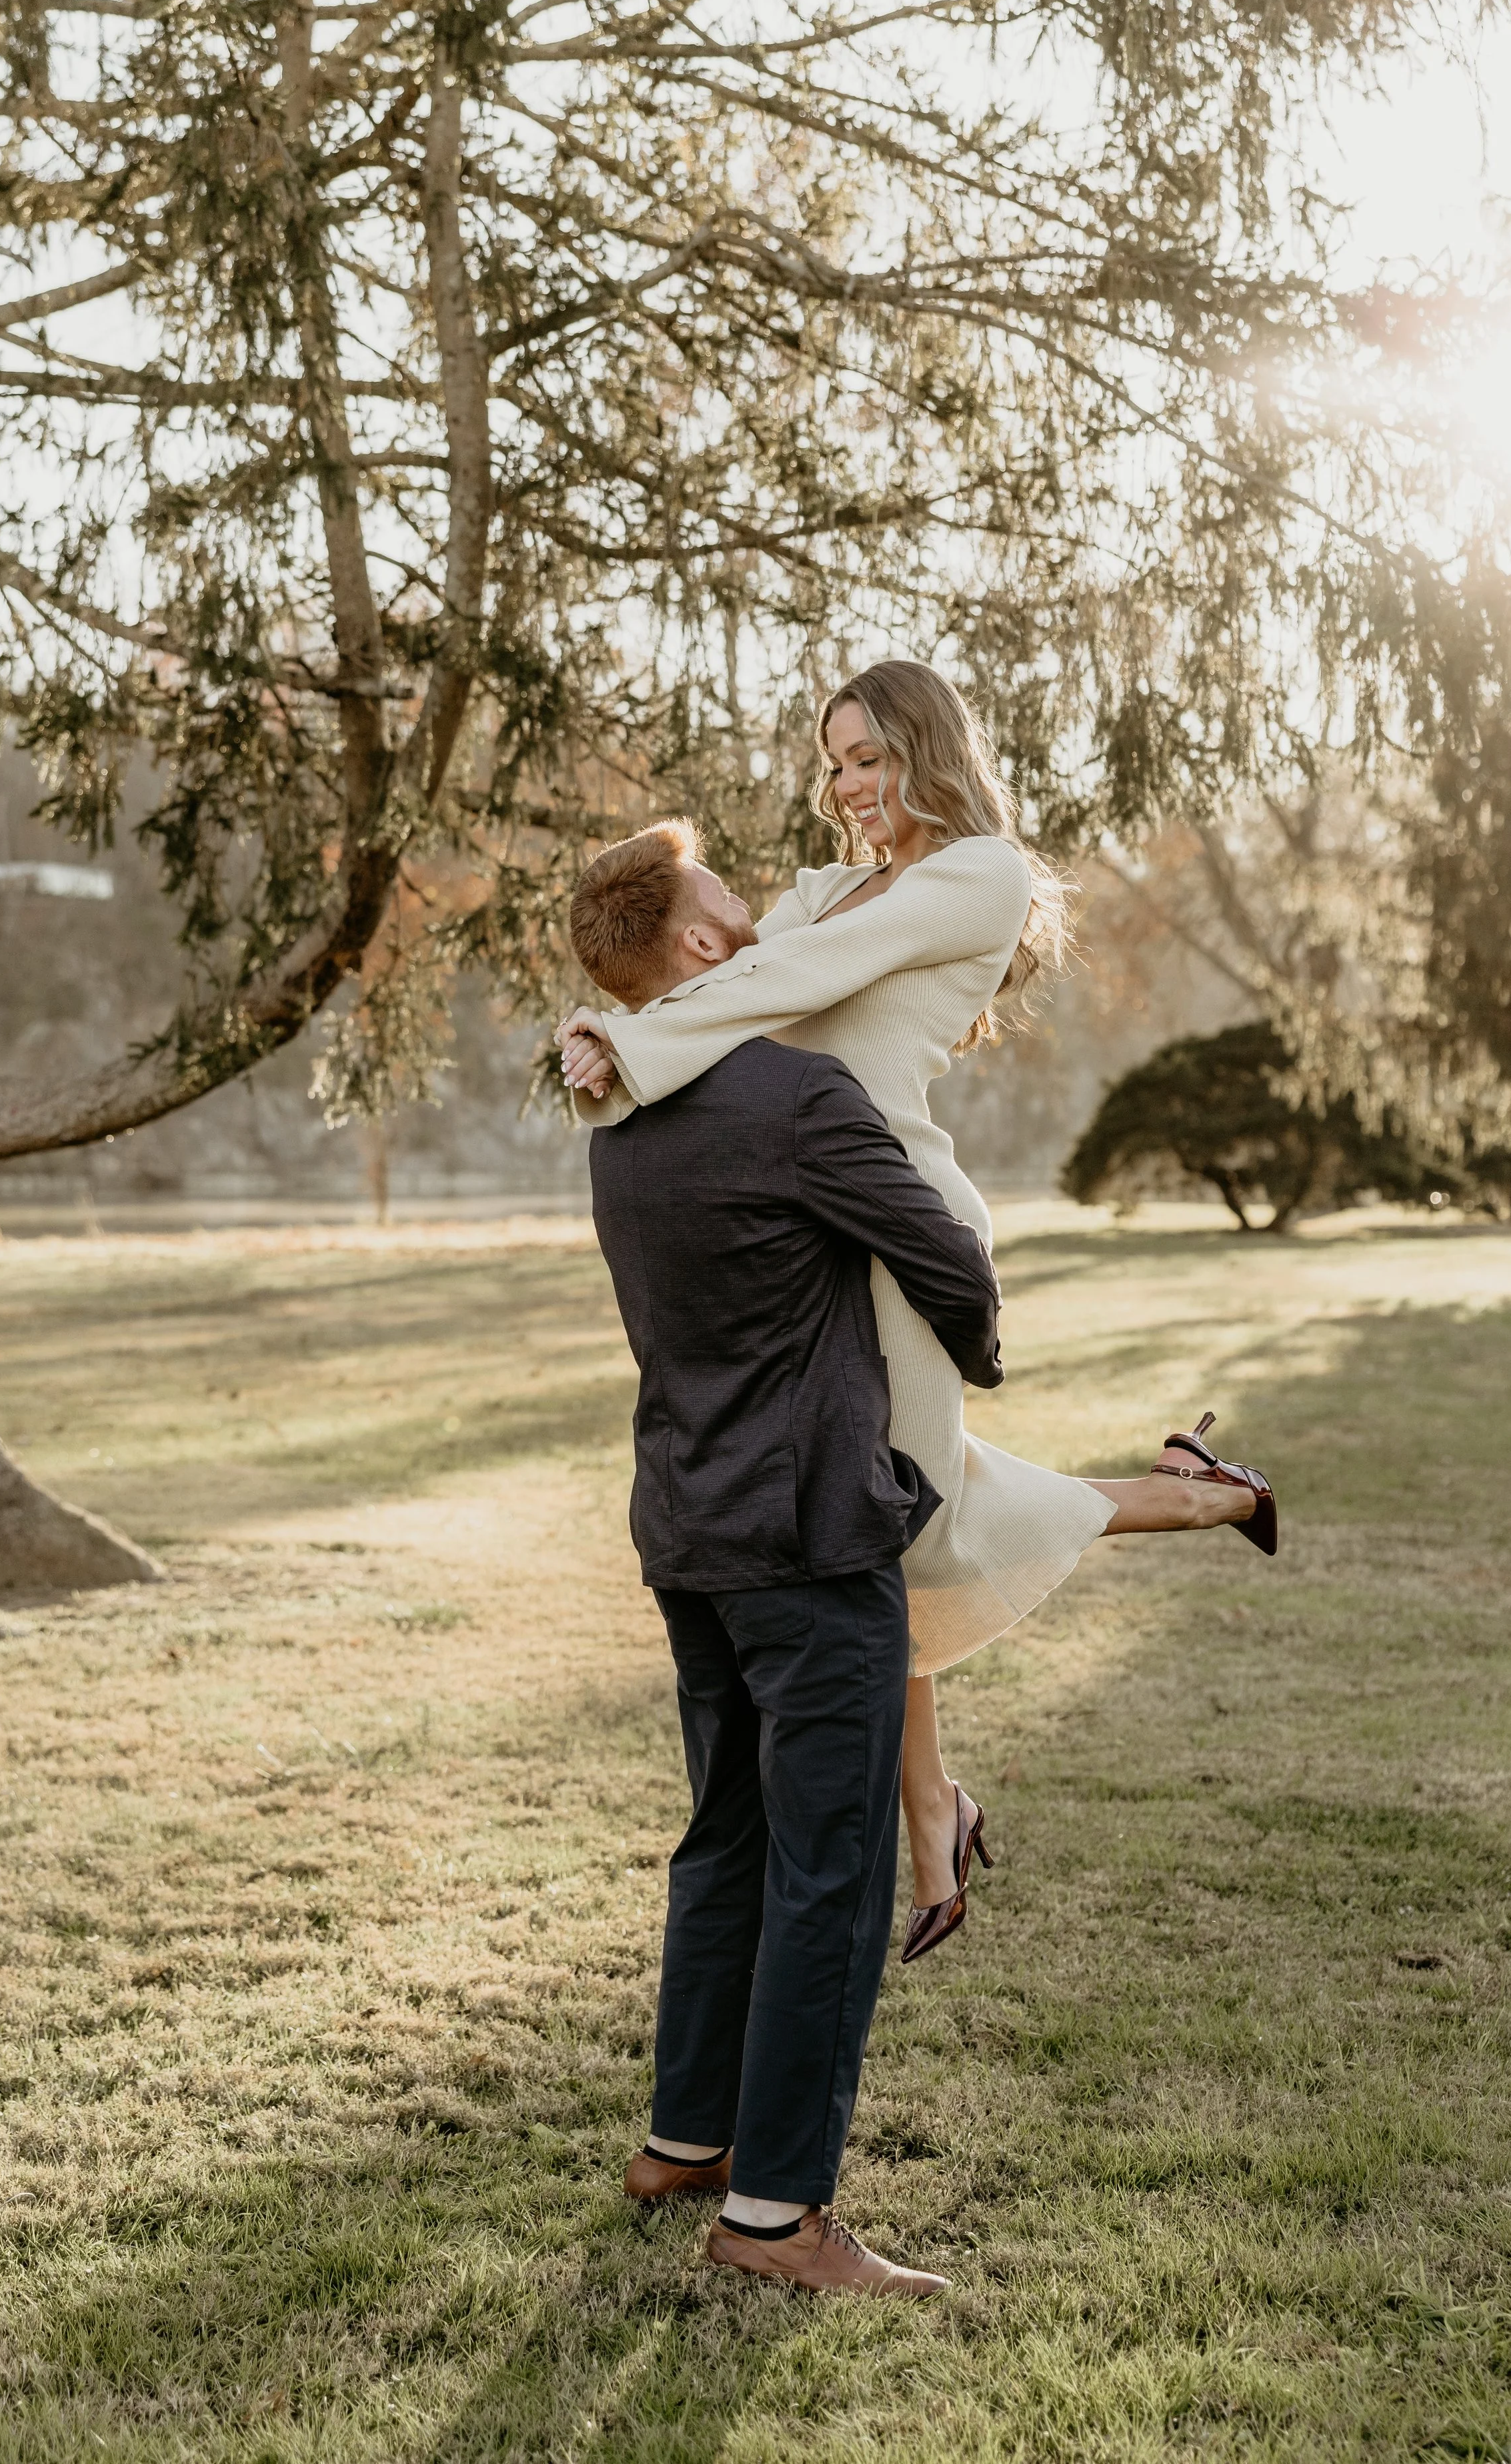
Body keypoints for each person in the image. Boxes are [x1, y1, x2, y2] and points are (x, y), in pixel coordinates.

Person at [559, 662, 1277, 1962]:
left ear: (922, 748)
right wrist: (603, 1031)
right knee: (867, 1530)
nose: (844, 785)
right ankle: (935, 1804)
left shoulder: (979, 873)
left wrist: (628, 1044)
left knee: (897, 1514)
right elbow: (720, 980)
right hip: (802, 1232)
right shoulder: (828, 885)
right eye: (831, 761)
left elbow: (792, 978)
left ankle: (1194, 1494)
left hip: (895, 1226)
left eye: (865, 756)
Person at [578, 833, 1010, 2296]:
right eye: (731, 912)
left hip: (686, 1531)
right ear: (699, 955)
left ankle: (682, 2140)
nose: (756, 924)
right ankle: (773, 2217)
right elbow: (943, 1255)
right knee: (825, 1871)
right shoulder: (791, 1096)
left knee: (725, 1841)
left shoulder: (616, 1116)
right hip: (812, 1536)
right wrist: (978, 1364)